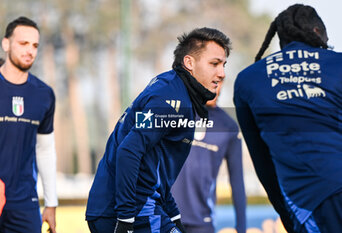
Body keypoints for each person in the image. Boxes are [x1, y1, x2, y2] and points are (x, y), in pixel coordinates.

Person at [86, 27, 231, 233]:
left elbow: (155, 166)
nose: (222, 73)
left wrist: (173, 214)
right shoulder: (171, 100)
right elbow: (128, 151)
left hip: (132, 209)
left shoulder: (171, 86)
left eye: (224, 65)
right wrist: (126, 218)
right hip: (129, 212)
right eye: (214, 64)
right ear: (189, 63)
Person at [234, 4, 342, 233]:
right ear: (317, 33)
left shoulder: (248, 80)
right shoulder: (337, 63)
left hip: (307, 203)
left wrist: (286, 215)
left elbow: (262, 162)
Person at [0, 16, 58, 233]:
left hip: (25, 202)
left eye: (35, 45)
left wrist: (51, 202)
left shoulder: (44, 94)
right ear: (6, 44)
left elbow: (45, 150)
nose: (30, 50)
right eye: (23, 43)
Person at [171, 80, 246, 233]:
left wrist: (241, 228)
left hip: (202, 222)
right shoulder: (174, 112)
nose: (215, 85)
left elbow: (237, 180)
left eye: (219, 81)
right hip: (165, 217)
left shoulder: (228, 127)